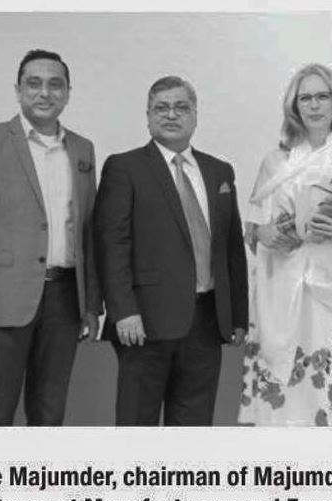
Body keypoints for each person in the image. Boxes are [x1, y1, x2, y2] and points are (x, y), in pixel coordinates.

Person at [0, 49, 100, 426]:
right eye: (34, 84)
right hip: (4, 301)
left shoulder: (82, 149)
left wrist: (90, 303)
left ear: (68, 93)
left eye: (55, 84)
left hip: (65, 299)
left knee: (50, 415)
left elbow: (87, 231)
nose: (44, 93)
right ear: (18, 90)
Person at [238, 64, 332, 426]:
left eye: (322, 96)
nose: (314, 105)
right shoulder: (276, 162)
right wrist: (264, 233)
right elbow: (253, 228)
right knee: (287, 403)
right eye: (305, 98)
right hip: (284, 291)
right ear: (294, 107)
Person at [94, 76, 248, 426]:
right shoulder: (124, 167)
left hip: (206, 322)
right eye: (161, 108)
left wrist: (238, 315)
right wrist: (123, 311)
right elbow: (112, 245)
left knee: (193, 430)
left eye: (181, 107)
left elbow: (231, 248)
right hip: (144, 323)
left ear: (195, 116)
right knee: (138, 427)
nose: (171, 114)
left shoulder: (219, 171)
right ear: (148, 116)